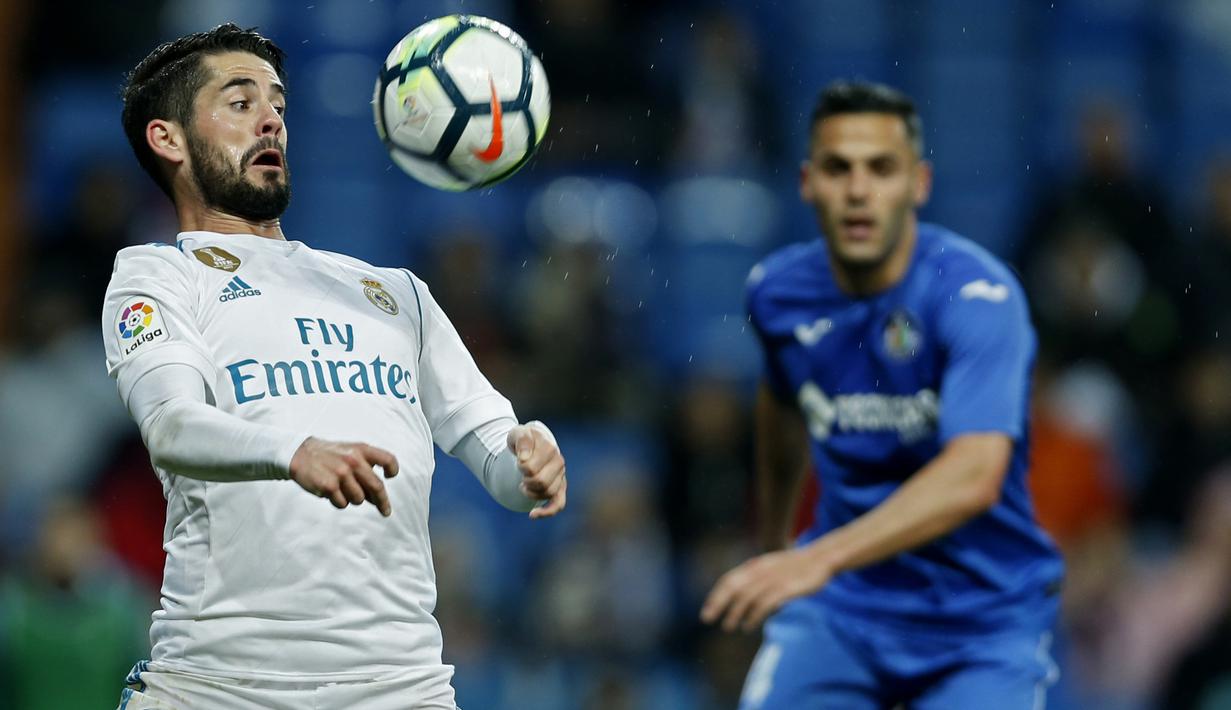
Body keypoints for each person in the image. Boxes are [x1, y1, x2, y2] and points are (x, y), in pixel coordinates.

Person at [103, 24, 567, 710]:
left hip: (400, 690)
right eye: (239, 102)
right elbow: (173, 426)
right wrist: (292, 452)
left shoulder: (394, 292)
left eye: (279, 106)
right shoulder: (158, 278)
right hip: (218, 687)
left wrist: (529, 460)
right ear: (167, 139)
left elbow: (496, 454)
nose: (270, 120)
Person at [700, 81, 1064, 709]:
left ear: (918, 185)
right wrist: (776, 545)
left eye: (881, 169)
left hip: (980, 623)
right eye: (839, 169)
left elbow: (975, 474)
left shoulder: (979, 298)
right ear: (807, 183)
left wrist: (816, 559)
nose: (859, 191)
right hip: (845, 612)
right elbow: (782, 402)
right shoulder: (778, 293)